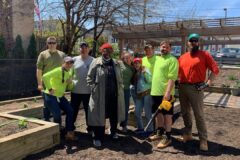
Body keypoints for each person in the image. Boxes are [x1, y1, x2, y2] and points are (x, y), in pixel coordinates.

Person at [178, 33, 219, 151]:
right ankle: (188, 133)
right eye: (191, 41)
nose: (193, 43)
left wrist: (208, 83)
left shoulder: (205, 55)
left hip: (196, 88)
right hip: (182, 87)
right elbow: (178, 72)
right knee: (185, 112)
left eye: (195, 41)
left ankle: (203, 139)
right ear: (187, 43)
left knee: (199, 114)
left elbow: (215, 70)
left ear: (198, 43)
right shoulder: (182, 57)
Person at [87, 43, 125, 147]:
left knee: (113, 115)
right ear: (101, 51)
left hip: (113, 95)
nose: (107, 52)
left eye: (109, 50)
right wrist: (93, 88)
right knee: (99, 116)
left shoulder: (116, 63)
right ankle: (98, 137)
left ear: (111, 52)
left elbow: (120, 77)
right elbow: (89, 77)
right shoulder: (96, 62)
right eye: (105, 50)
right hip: (99, 95)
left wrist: (120, 86)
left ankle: (113, 132)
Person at [149, 41, 178, 148]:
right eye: (162, 47)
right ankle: (159, 133)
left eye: (166, 47)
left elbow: (172, 77)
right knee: (158, 114)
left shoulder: (172, 60)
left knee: (167, 115)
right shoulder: (157, 59)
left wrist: (168, 92)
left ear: (170, 48)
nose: (163, 48)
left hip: (166, 94)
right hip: (155, 92)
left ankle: (168, 136)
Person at [42, 56, 76, 140]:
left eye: (71, 63)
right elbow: (45, 76)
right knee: (57, 115)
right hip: (51, 96)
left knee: (70, 111)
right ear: (63, 63)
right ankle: (57, 135)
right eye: (67, 63)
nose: (69, 65)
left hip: (60, 96)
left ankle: (69, 132)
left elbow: (70, 86)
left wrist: (70, 82)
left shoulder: (70, 71)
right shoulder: (58, 70)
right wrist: (49, 88)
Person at [36, 36, 65, 121]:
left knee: (58, 103)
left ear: (56, 44)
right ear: (47, 44)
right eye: (49, 43)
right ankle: (47, 121)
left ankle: (56, 124)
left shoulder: (62, 55)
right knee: (47, 104)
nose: (52, 45)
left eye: (53, 43)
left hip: (58, 85)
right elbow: (39, 70)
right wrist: (39, 84)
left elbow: (66, 69)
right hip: (46, 85)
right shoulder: (43, 54)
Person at [71, 42, 94, 133]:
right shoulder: (74, 59)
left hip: (88, 91)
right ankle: (70, 127)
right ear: (79, 49)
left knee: (89, 111)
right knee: (73, 111)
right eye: (81, 48)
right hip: (75, 91)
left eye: (85, 47)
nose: (83, 49)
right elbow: (70, 73)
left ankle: (90, 128)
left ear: (88, 49)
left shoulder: (93, 60)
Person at [132, 57, 153, 136]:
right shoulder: (136, 72)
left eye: (138, 63)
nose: (136, 64)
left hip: (147, 93)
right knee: (137, 112)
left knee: (148, 113)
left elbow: (150, 81)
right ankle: (140, 128)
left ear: (141, 63)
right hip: (139, 94)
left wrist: (145, 73)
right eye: (135, 63)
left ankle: (150, 130)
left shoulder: (145, 69)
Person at [119, 52, 135, 132]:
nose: (127, 59)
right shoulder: (119, 64)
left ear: (131, 58)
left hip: (127, 90)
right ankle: (113, 126)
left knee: (125, 108)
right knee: (116, 108)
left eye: (128, 57)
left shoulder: (132, 67)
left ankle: (124, 125)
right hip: (118, 90)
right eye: (125, 57)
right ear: (123, 58)